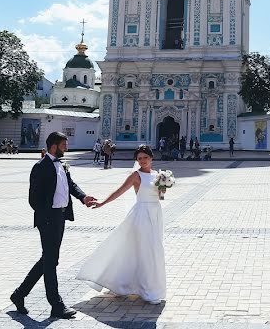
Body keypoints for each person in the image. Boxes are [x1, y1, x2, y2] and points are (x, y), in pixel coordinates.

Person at [11, 131, 98, 319]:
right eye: (64, 145)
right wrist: (47, 216)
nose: (67, 148)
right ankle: (56, 305)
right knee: (50, 262)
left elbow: (70, 185)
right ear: (54, 146)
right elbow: (33, 198)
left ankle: (19, 294)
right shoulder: (40, 167)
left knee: (48, 260)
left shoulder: (62, 165)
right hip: (48, 219)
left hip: (60, 217)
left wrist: (84, 197)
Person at [77, 144, 166, 305]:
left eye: (145, 158)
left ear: (151, 158)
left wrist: (163, 189)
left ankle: (132, 283)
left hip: (155, 214)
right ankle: (149, 291)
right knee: (147, 250)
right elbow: (119, 191)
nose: (142, 161)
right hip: (141, 215)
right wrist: (102, 203)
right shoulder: (135, 175)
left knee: (152, 249)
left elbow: (160, 197)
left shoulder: (158, 175)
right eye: (139, 158)